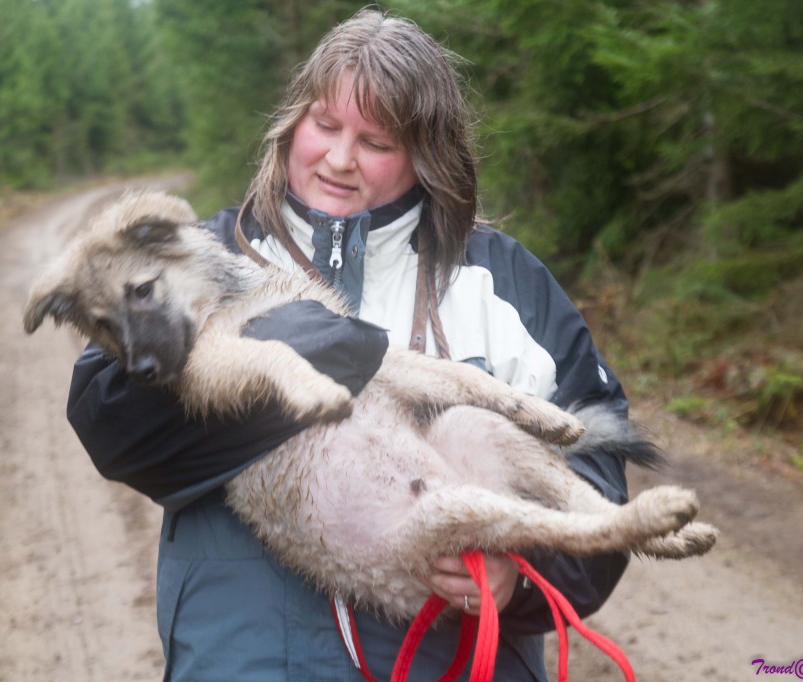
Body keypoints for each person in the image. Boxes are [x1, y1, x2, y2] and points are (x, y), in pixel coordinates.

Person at [67, 9, 634, 681]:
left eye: (376, 141)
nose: (339, 159)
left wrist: (523, 574)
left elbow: (597, 476)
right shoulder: (201, 259)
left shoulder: (500, 283)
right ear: (293, 121)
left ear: (426, 155)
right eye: (325, 125)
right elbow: (106, 421)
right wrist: (296, 360)